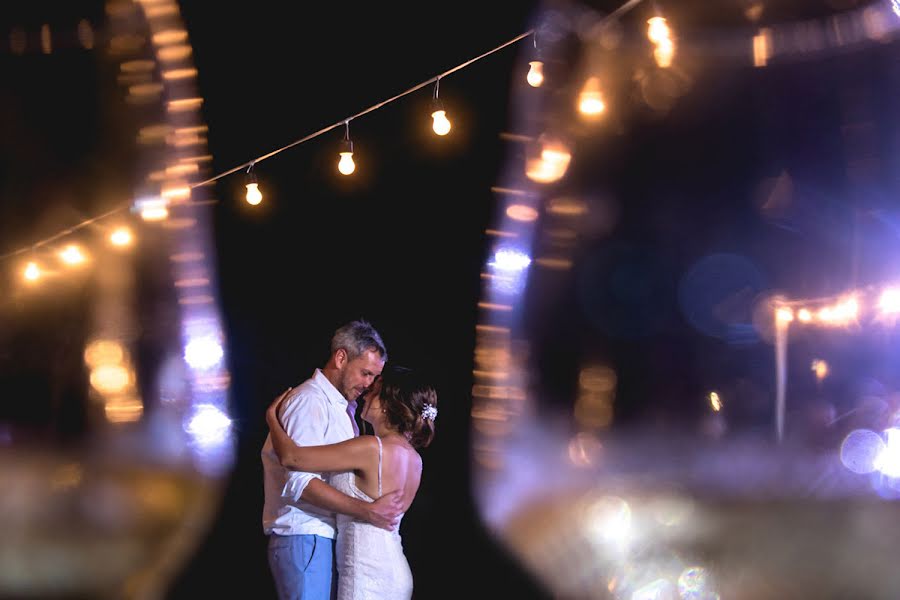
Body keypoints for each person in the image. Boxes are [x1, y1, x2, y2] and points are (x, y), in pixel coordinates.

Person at [266, 365, 438, 600]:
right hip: (395, 570)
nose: (366, 394)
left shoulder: (370, 448)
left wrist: (272, 419)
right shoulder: (415, 460)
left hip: (365, 571)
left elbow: (292, 458)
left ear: (387, 403)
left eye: (374, 390)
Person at [261, 320, 404, 600]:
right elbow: (299, 481)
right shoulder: (310, 401)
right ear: (340, 357)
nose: (369, 384)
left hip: (321, 538)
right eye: (365, 373)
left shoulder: (344, 409)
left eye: (374, 377)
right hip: (304, 534)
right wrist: (366, 510)